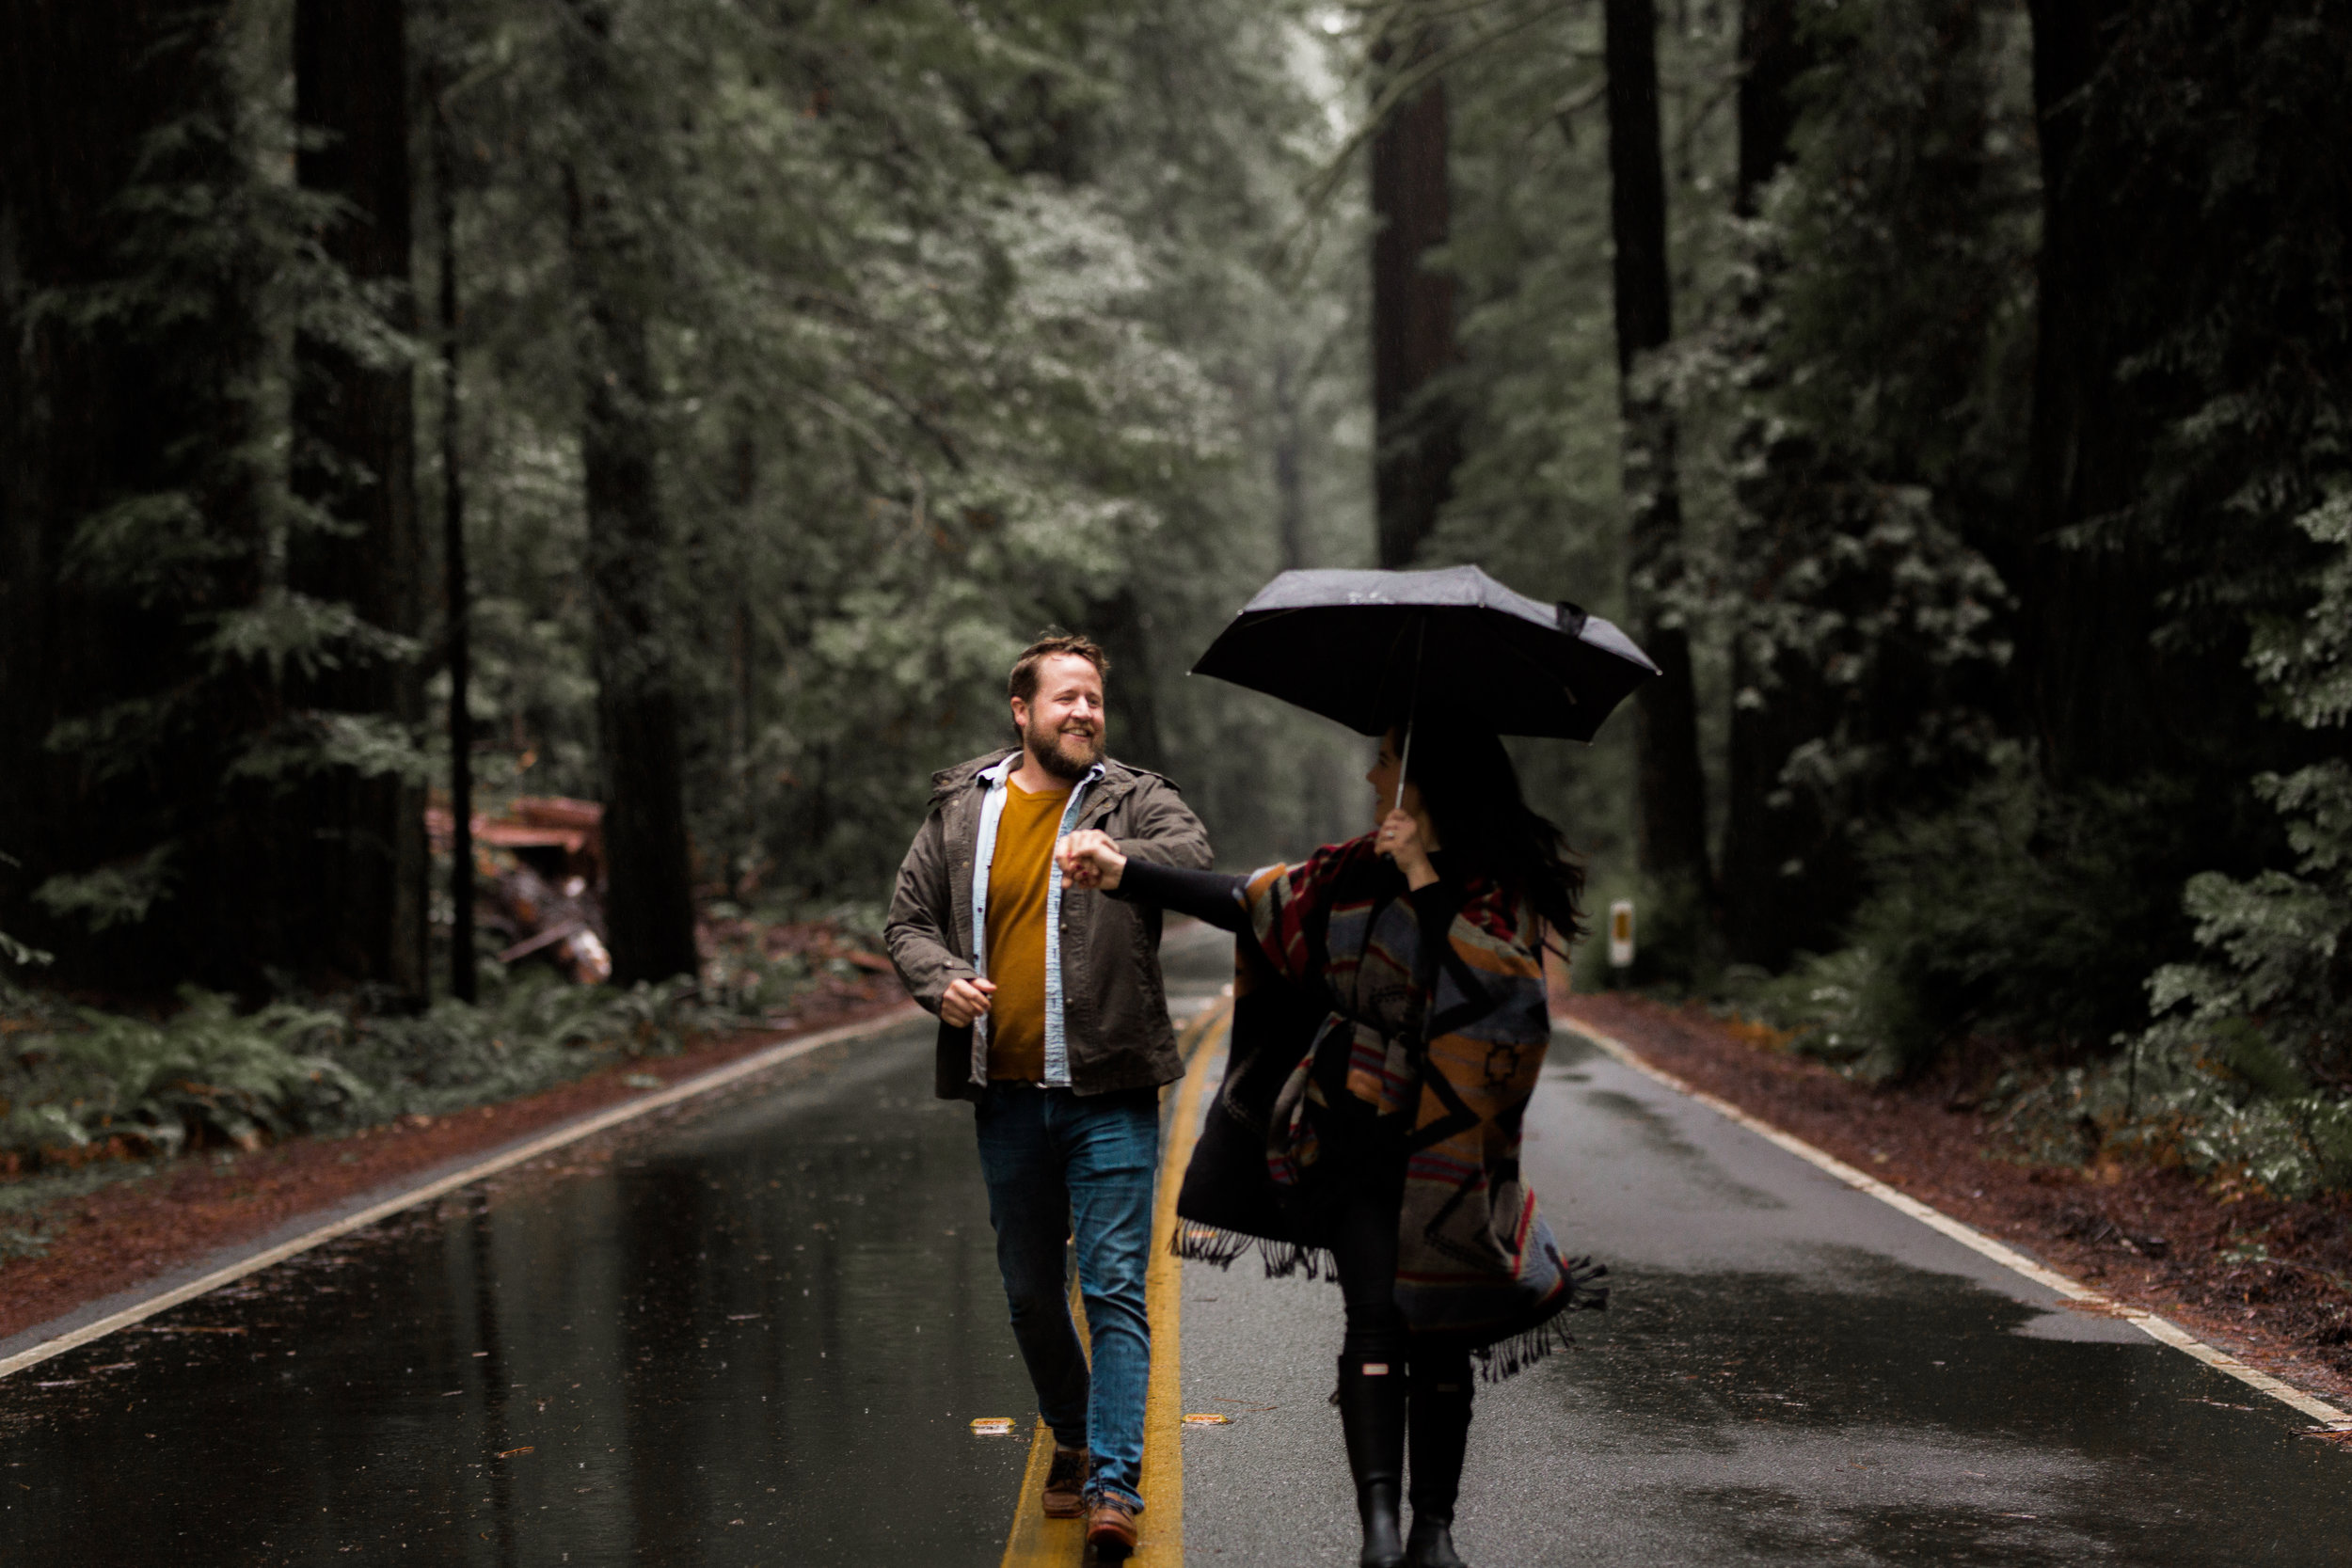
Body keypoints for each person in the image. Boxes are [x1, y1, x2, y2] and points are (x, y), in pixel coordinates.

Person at [1057, 718, 1605, 1568]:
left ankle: (1435, 1531)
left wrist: (1425, 878)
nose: (1370, 772)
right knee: (1377, 1318)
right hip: (1351, 1131)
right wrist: (1128, 872)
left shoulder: (1500, 885)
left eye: (1386, 759)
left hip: (1455, 1153)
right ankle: (1381, 1533)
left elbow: (1495, 993)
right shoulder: (1352, 871)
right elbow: (1253, 900)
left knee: (1443, 1328)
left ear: (1424, 779)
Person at [884, 632, 1211, 1556]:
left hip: (1110, 1086)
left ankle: (1112, 1484)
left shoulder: (1134, 797)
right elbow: (905, 919)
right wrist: (940, 977)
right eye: (1064, 698)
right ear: (1020, 710)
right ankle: (1069, 1430)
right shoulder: (962, 807)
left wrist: (1122, 857)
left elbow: (1189, 854)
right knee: (1031, 1292)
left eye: (1093, 699)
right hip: (1008, 1095)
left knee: (1111, 1287)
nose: (1082, 712)